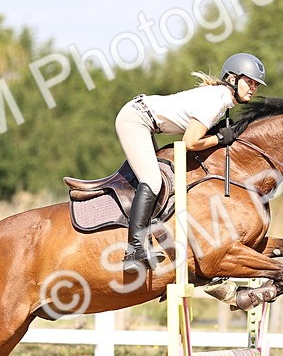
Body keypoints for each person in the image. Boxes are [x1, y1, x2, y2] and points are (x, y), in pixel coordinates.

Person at [115, 52, 268, 272]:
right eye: (249, 82)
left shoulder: (223, 100)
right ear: (233, 79)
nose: (253, 88)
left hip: (145, 119)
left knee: (163, 180)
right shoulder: (217, 100)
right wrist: (218, 138)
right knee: (153, 180)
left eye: (256, 84)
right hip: (136, 119)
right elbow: (190, 142)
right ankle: (134, 250)